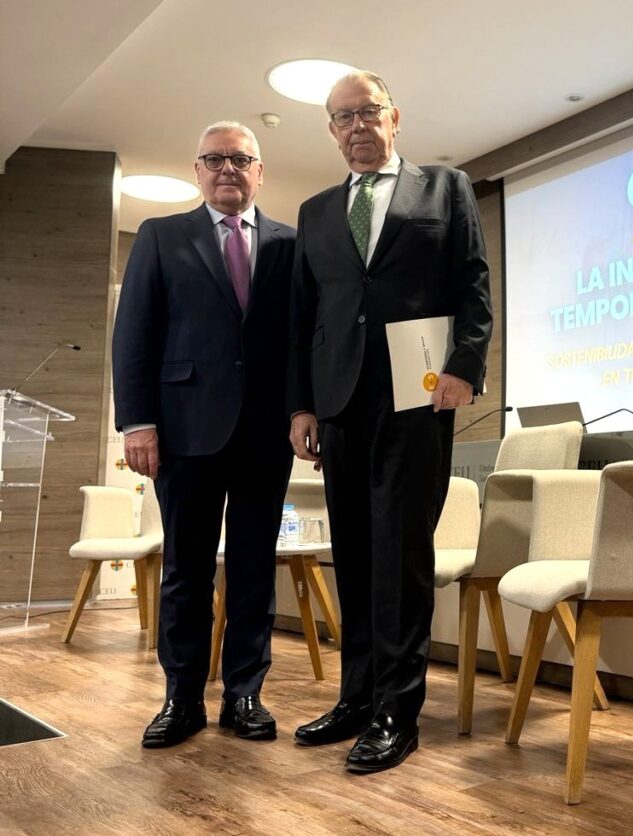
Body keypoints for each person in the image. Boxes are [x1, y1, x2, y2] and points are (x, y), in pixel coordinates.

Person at [288, 70, 492, 772]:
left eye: (367, 112)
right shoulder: (316, 211)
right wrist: (301, 404)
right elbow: (304, 316)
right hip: (340, 399)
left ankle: (397, 714)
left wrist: (465, 365)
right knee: (352, 554)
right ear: (331, 130)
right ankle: (356, 698)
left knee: (401, 556)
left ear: (393, 117)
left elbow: (472, 283)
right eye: (342, 117)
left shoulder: (445, 188)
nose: (357, 126)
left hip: (418, 392)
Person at [112, 122, 296, 748]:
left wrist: (305, 412)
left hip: (265, 433)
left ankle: (245, 694)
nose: (227, 169)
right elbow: (133, 335)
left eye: (240, 159)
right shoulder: (161, 236)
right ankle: (182, 697)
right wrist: (137, 422)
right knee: (186, 569)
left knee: (254, 567)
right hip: (184, 431)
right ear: (197, 170)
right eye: (214, 159)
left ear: (260, 172)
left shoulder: (291, 245)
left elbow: (300, 340)